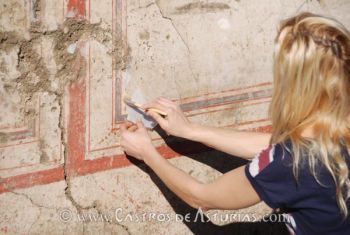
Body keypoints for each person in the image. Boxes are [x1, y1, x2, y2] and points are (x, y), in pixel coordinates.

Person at [120, 12, 350, 235]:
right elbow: (278, 147)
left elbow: (201, 197)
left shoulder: (291, 164)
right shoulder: (321, 139)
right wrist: (190, 130)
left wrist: (146, 152)